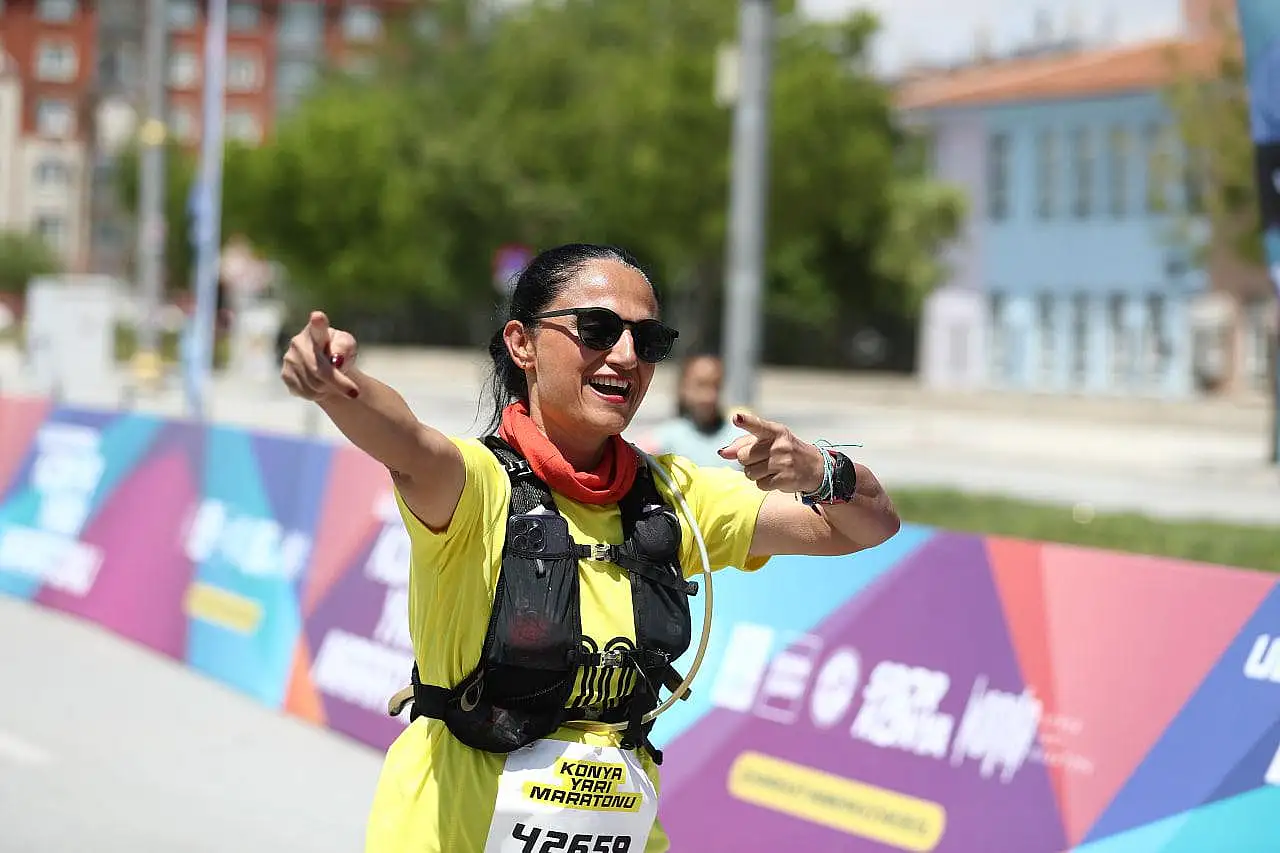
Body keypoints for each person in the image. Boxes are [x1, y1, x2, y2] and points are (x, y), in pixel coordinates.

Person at [279, 243, 901, 853]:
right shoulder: (476, 485)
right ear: (522, 343)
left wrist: (824, 471)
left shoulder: (677, 497)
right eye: (597, 329)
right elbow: (407, 442)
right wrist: (336, 385)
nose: (625, 356)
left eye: (647, 340)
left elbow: (867, 528)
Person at [646, 353, 742, 468]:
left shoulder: (740, 441)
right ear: (683, 387)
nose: (709, 396)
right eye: (701, 385)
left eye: (716, 385)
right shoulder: (662, 441)